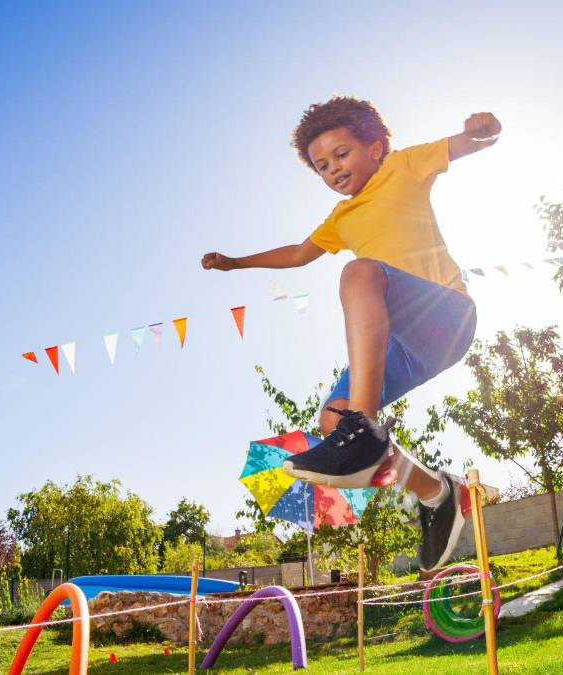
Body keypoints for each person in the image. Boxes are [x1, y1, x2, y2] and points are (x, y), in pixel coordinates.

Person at [201, 95, 499, 570]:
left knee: (359, 274)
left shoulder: (402, 166)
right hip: (404, 343)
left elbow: (465, 144)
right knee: (332, 421)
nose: (333, 170)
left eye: (341, 154)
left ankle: (365, 432)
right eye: (322, 166)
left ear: (376, 148)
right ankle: (437, 493)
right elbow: (298, 253)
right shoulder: (340, 218)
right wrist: (237, 263)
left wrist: (483, 129)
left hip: (446, 315)